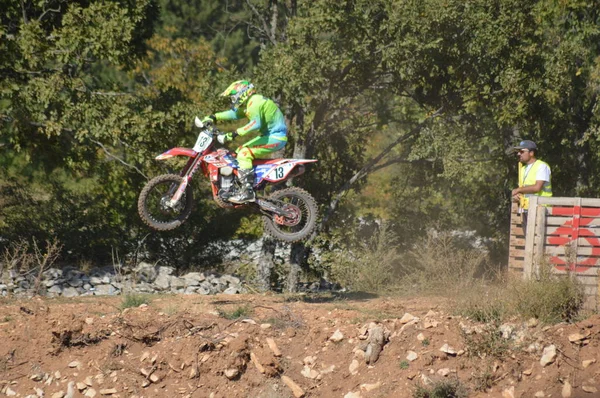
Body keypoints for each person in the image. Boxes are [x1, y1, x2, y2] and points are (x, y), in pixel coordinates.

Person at [201, 80, 288, 204]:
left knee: (244, 153)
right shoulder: (251, 102)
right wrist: (214, 116)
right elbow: (234, 114)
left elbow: (254, 123)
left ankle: (248, 191)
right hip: (270, 136)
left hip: (276, 137)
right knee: (238, 153)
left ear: (241, 93)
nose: (232, 100)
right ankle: (239, 186)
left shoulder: (255, 102)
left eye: (233, 97)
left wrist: (234, 134)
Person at [511, 140, 552, 233]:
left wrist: (518, 190)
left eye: (522, 151)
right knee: (528, 240)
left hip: (540, 209)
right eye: (518, 152)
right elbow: (523, 189)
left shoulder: (542, 166)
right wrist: (517, 195)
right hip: (526, 209)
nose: (518, 154)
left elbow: (537, 187)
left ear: (531, 153)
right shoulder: (523, 169)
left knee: (537, 240)